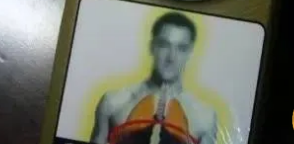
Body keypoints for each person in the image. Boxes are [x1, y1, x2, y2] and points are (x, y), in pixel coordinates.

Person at [90, 12, 217, 144]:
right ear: (152, 47)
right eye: (164, 45)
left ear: (190, 53)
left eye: (181, 48)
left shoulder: (204, 117)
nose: (171, 57)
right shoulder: (113, 102)